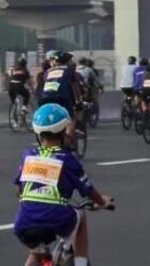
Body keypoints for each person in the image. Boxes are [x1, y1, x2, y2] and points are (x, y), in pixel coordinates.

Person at [13, 104, 111, 266]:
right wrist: (102, 202)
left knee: (35, 253)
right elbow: (88, 191)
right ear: (64, 132)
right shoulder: (67, 159)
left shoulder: (28, 155)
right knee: (80, 217)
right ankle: (80, 263)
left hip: (23, 222)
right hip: (56, 217)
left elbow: (19, 190)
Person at [38, 51, 81, 143]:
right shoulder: (70, 71)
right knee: (71, 118)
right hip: (61, 97)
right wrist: (79, 101)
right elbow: (75, 87)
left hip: (44, 98)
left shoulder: (47, 72)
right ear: (67, 61)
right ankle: (67, 139)